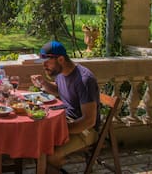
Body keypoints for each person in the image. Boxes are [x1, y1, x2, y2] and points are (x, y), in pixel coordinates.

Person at [31, 41, 100, 173]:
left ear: (61, 59)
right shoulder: (61, 73)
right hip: (66, 120)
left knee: (49, 153)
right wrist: (44, 84)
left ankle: (52, 166)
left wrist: (62, 130)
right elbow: (60, 91)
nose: (44, 66)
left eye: (47, 62)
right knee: (36, 143)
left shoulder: (84, 80)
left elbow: (89, 121)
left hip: (85, 130)